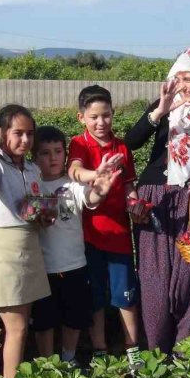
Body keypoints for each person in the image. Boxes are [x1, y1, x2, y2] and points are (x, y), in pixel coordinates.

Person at [124, 46, 190, 354]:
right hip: (155, 198)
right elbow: (130, 143)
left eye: (189, 77)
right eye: (177, 77)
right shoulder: (167, 105)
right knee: (154, 278)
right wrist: (160, 110)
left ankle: (186, 354)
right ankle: (156, 353)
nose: (182, 84)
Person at [0, 105, 52, 378]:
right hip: (3, 247)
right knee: (16, 327)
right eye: (18, 133)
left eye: (30, 133)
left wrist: (43, 215)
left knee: (21, 324)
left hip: (28, 242)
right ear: (1, 133)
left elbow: (33, 204)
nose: (25, 140)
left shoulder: (30, 167)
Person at [67, 85, 143, 368]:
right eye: (94, 117)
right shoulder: (79, 144)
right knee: (96, 298)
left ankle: (133, 349)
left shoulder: (122, 147)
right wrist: (95, 173)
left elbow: (129, 185)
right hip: (90, 237)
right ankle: (99, 349)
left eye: (106, 115)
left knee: (126, 296)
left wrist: (134, 203)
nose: (101, 122)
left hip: (120, 236)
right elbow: (74, 170)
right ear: (81, 118)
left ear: (113, 113)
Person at [32, 126, 119, 363]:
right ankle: (47, 365)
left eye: (58, 151)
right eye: (45, 153)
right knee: (44, 322)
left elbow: (90, 198)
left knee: (74, 319)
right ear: (34, 157)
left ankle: (68, 359)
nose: (52, 158)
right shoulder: (32, 184)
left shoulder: (72, 184)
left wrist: (100, 191)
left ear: (65, 154)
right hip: (42, 268)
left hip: (74, 264)